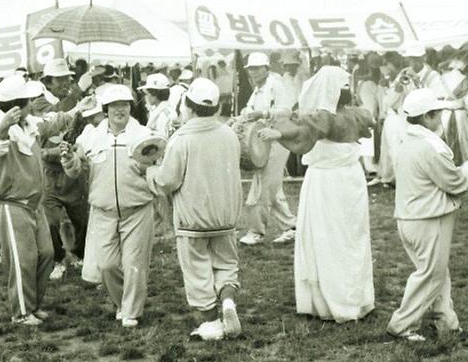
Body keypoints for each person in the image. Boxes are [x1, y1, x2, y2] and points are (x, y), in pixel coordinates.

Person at [259, 66, 376, 322]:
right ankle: (356, 297)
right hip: (351, 179)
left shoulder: (326, 117)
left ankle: (332, 299)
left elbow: (305, 131)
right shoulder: (355, 114)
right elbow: (367, 121)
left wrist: (278, 132)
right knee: (351, 236)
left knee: (326, 235)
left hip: (327, 181)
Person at [0, 74, 92, 326]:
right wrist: (2, 130)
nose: (32, 104)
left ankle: (33, 305)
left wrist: (78, 109)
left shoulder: (28, 123)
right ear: (16, 104)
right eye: (28, 101)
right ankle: (21, 313)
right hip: (10, 202)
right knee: (23, 260)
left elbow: (54, 123)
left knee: (44, 253)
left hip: (33, 202)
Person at [146, 78, 243, 340]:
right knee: (226, 264)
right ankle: (228, 301)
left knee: (197, 270)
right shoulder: (229, 134)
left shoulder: (181, 139)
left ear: (187, 106)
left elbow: (167, 181)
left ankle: (211, 323)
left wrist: (151, 171)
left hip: (193, 220)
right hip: (225, 217)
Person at [62, 84, 156, 328]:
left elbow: (157, 166)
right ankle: (122, 302)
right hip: (103, 212)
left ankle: (131, 312)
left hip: (137, 209)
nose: (119, 110)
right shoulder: (90, 136)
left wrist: (148, 167)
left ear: (131, 108)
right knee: (107, 264)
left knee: (135, 264)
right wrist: (69, 161)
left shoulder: (144, 134)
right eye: (114, 105)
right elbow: (76, 169)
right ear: (105, 109)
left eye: (124, 104)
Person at [387, 88, 468, 342]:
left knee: (436, 272)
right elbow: (455, 183)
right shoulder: (430, 147)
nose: (440, 119)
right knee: (431, 275)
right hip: (428, 220)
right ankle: (401, 325)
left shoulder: (408, 142)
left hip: (409, 218)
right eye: (437, 114)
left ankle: (446, 321)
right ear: (426, 117)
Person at [38, 60, 90, 280]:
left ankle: (78, 254)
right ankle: (58, 259)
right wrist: (78, 91)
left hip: (72, 171)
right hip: (50, 173)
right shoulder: (40, 102)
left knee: (81, 218)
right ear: (48, 82)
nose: (66, 83)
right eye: (60, 79)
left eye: (68, 78)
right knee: (51, 221)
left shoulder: (73, 100)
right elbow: (56, 119)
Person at [238, 52, 297, 245]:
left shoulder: (276, 84)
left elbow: (287, 111)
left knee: (262, 187)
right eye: (250, 69)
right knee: (272, 187)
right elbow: (248, 111)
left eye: (256, 68)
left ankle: (256, 231)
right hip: (262, 141)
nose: (253, 72)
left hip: (277, 140)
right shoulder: (258, 89)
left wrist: (263, 113)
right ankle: (290, 227)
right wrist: (241, 118)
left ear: (266, 68)